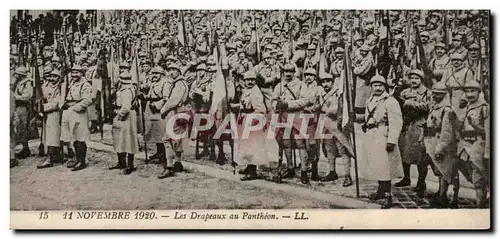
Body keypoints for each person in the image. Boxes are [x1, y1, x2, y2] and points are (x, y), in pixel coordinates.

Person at [363, 74, 403, 209]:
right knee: (378, 165)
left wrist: (392, 140)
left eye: (380, 85)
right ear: (371, 87)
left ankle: (387, 195)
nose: (378, 88)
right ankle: (380, 191)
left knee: (386, 167)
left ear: (385, 87)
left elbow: (396, 122)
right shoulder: (370, 100)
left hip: (384, 135)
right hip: (372, 135)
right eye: (375, 85)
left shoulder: (390, 101)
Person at [271, 63, 311, 183]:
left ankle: (304, 171)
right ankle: (290, 167)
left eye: (290, 71)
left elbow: (305, 100)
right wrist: (276, 105)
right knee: (286, 143)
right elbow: (273, 100)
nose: (288, 74)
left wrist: (288, 104)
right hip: (283, 117)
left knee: (300, 143)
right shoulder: (279, 86)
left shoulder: (301, 85)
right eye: (286, 71)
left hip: (297, 116)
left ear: (294, 72)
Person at [395, 69, 432, 198]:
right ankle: (406, 177)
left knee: (420, 155)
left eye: (416, 78)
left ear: (421, 80)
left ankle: (421, 183)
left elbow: (428, 107)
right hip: (406, 124)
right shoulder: (405, 92)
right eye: (412, 78)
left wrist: (410, 103)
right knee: (404, 151)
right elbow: (399, 105)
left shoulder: (427, 92)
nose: (414, 81)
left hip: (419, 124)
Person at [424, 81, 459, 208]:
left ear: (444, 95)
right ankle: (440, 192)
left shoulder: (447, 110)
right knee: (438, 170)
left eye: (439, 94)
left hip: (441, 143)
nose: (435, 96)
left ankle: (443, 197)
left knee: (444, 170)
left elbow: (446, 132)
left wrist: (440, 147)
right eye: (434, 93)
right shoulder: (435, 106)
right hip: (432, 139)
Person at [458, 80, 490, 208]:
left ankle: (480, 203)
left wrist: (487, 151)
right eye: (467, 91)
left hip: (478, 144)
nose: (470, 94)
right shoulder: (467, 106)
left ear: (479, 92)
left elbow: (488, 131)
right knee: (463, 166)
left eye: (473, 91)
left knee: (478, 176)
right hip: (465, 144)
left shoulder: (484, 108)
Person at [233, 71, 268, 180]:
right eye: (247, 80)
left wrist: (252, 120)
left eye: (252, 80)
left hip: (252, 121)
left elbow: (261, 110)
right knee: (246, 145)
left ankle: (253, 171)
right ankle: (249, 166)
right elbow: (244, 104)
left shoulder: (256, 92)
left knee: (252, 146)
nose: (249, 82)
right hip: (245, 119)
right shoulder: (247, 91)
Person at [318, 73, 352, 186]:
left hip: (337, 125)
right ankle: (332, 172)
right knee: (329, 149)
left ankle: (348, 175)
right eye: (323, 82)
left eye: (328, 81)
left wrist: (327, 110)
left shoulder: (338, 93)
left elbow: (340, 107)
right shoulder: (320, 93)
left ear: (332, 82)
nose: (325, 84)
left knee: (343, 149)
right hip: (326, 125)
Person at [159, 63, 190, 178]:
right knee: (177, 139)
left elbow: (173, 101)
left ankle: (169, 166)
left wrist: (163, 110)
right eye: (170, 70)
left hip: (175, 113)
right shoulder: (179, 83)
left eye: (174, 70)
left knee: (167, 139)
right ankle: (178, 162)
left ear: (178, 71)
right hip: (180, 113)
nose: (171, 72)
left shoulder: (179, 84)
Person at [60, 65, 92, 171]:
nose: (74, 75)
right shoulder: (72, 83)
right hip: (70, 112)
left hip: (79, 114)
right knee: (74, 137)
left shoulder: (85, 85)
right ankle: (78, 159)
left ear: (82, 73)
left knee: (80, 138)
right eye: (73, 72)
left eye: (77, 72)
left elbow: (87, 100)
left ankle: (82, 161)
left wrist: (74, 107)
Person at [110, 72, 139, 175]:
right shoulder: (126, 89)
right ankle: (121, 162)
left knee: (128, 140)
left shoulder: (126, 90)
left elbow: (126, 107)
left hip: (126, 117)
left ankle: (130, 165)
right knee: (119, 139)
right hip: (124, 114)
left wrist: (119, 116)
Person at [37, 70, 63, 169]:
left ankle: (50, 158)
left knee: (53, 137)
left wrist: (45, 107)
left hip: (55, 114)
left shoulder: (60, 88)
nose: (52, 79)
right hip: (46, 115)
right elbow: (40, 98)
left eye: (55, 77)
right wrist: (40, 108)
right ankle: (55, 156)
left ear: (59, 78)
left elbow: (57, 102)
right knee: (47, 136)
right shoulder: (45, 87)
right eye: (51, 76)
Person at [12, 66, 33, 159]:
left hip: (24, 107)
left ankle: (26, 149)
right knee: (20, 127)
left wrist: (15, 97)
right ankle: (24, 147)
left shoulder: (27, 83)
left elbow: (27, 96)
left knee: (24, 127)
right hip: (18, 106)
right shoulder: (20, 83)